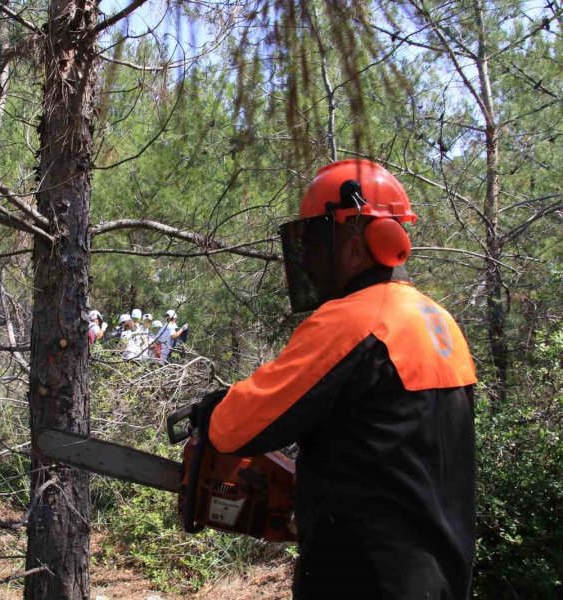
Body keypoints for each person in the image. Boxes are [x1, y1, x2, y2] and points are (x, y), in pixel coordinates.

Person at [201, 160, 477, 599]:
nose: (306, 260)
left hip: (367, 580)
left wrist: (214, 410)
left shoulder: (355, 321)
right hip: (440, 576)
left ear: (352, 244)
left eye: (314, 241)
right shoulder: (437, 321)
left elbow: (232, 429)